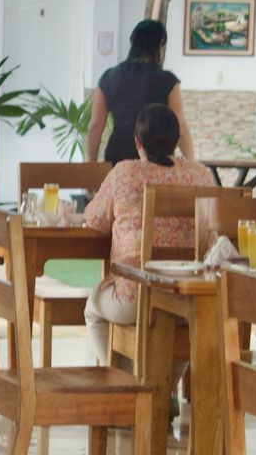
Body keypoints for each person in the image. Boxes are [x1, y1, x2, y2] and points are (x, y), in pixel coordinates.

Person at [82, 103, 216, 366]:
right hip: (186, 297)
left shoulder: (124, 172)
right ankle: (164, 393)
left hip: (135, 296)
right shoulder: (200, 174)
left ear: (137, 142)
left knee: (93, 310)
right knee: (176, 326)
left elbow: (95, 220)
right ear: (177, 141)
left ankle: (123, 387)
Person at [87, 20, 195, 165]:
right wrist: (193, 165)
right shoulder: (167, 81)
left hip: (117, 161)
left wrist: (90, 165)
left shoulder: (108, 77)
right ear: (161, 44)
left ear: (133, 42)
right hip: (156, 161)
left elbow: (95, 126)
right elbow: (180, 128)